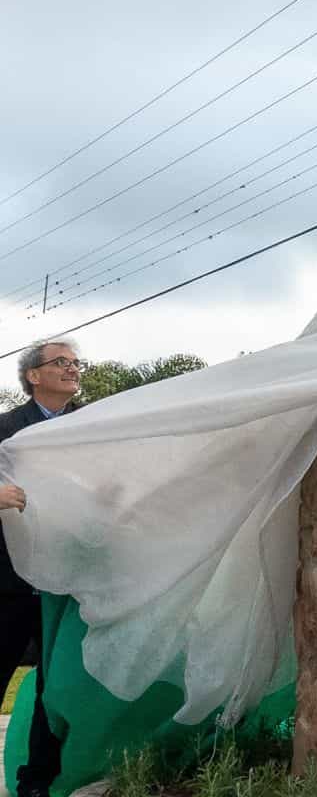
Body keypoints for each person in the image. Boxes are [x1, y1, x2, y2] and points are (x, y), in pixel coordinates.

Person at [0, 340, 83, 797]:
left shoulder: (92, 426)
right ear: (34, 375)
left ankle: (36, 784)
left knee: (54, 691)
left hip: (64, 583)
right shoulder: (5, 428)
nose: (73, 369)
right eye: (61, 362)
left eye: (76, 363)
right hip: (7, 582)